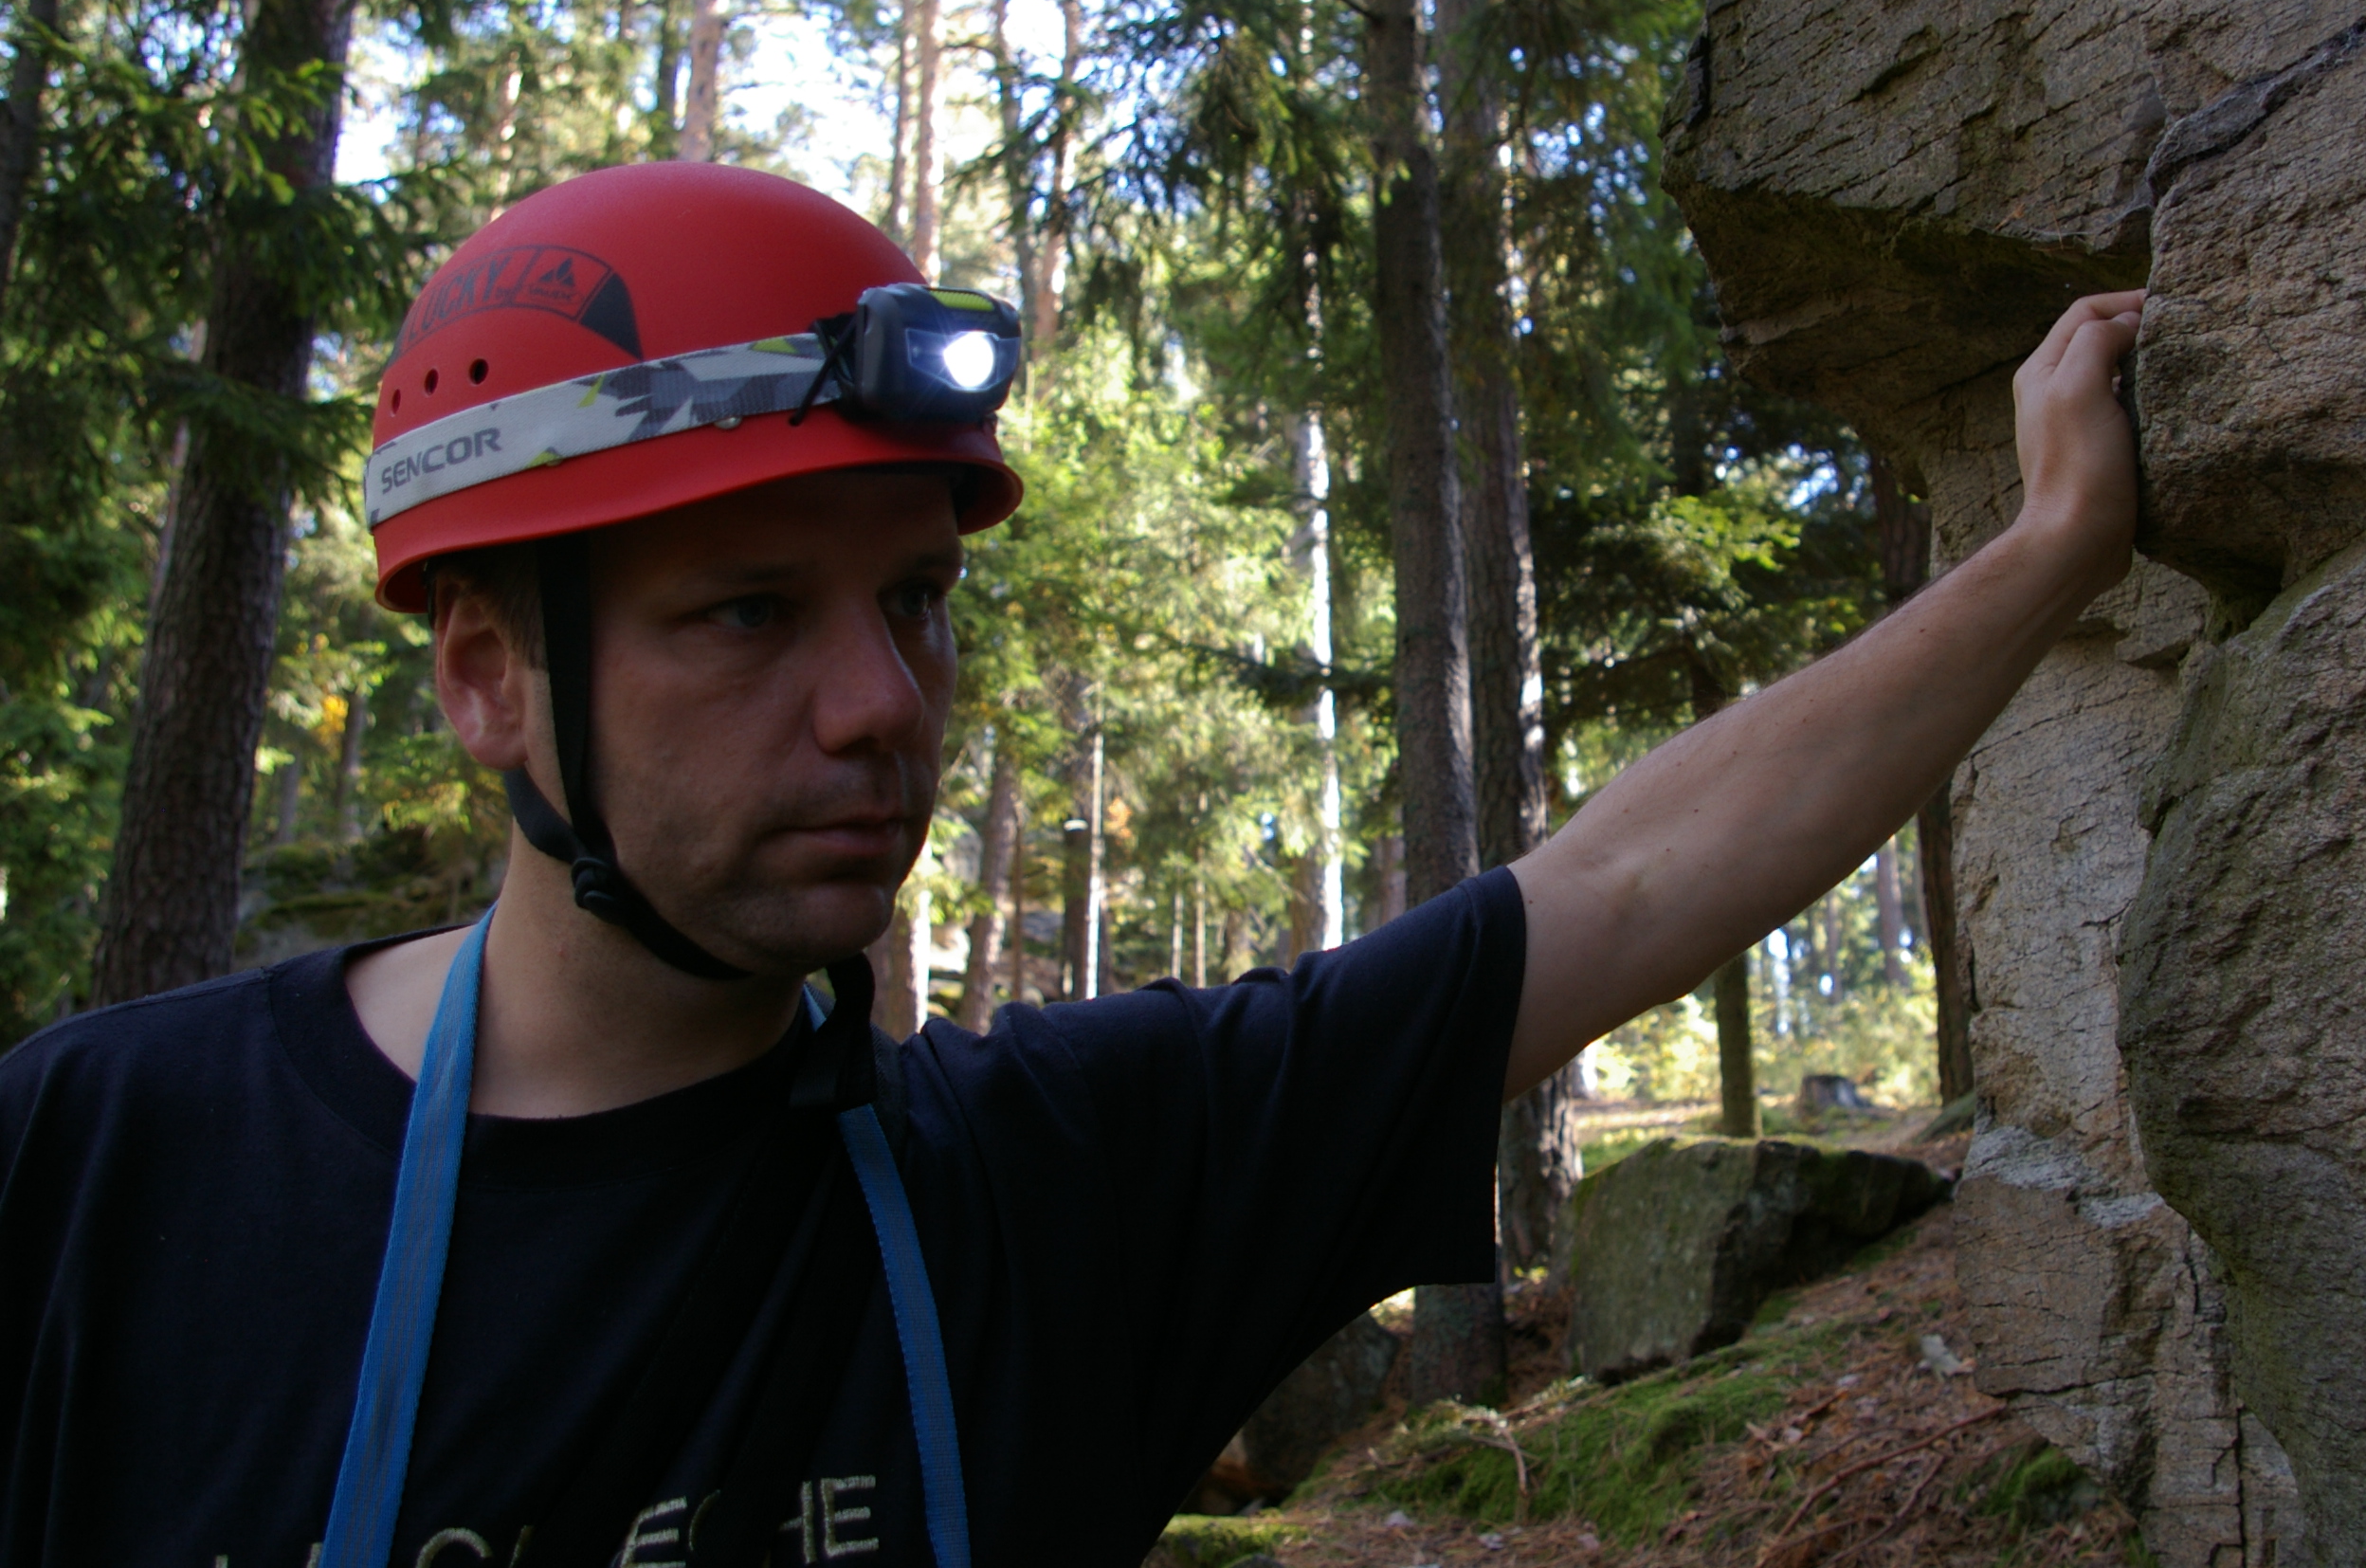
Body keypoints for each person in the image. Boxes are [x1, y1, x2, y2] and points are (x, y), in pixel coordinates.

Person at [0, 162, 2143, 1567]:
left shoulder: (1049, 1186)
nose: (879, 705)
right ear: (487, 680)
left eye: (916, 602)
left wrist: (2049, 551)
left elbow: (1618, 893)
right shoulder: (100, 1164)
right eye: (749, 610)